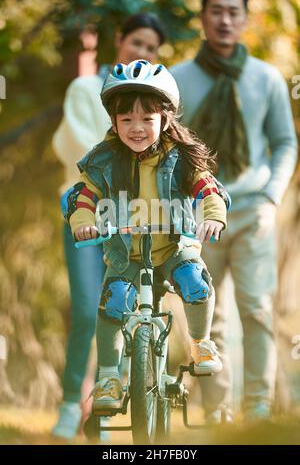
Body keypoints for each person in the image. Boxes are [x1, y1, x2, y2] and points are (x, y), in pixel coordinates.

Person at [65, 59, 229, 411]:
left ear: (165, 119)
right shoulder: (104, 159)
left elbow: (209, 190)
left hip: (173, 246)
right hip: (127, 252)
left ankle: (201, 342)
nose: (136, 128)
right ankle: (109, 376)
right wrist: (83, 219)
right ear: (113, 121)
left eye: (147, 119)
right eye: (126, 120)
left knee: (195, 279)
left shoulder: (180, 158)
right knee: (114, 301)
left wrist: (213, 217)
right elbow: (82, 193)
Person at [171, 0, 298, 423]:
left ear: (245, 18)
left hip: (251, 211)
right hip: (197, 215)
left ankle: (259, 405)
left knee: (256, 307)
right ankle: (217, 406)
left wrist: (270, 197)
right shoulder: (177, 79)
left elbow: (284, 142)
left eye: (233, 12)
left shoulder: (266, 78)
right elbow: (169, 147)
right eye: (216, 11)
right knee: (208, 312)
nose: (225, 20)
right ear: (203, 16)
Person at [52, 12, 166, 440]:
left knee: (123, 310)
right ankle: (68, 405)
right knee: (86, 309)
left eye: (151, 48)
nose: (142, 52)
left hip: (135, 222)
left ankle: (106, 412)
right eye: (136, 42)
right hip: (87, 217)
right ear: (119, 40)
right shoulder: (84, 89)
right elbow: (86, 154)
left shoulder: (152, 101)